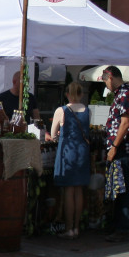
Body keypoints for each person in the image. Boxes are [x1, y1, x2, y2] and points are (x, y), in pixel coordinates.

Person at [48, 81, 91, 239]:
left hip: (68, 152)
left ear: (67, 94)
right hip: (82, 152)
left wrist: (58, 135)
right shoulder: (87, 110)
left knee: (68, 191)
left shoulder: (62, 110)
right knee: (79, 190)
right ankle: (77, 227)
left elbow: (53, 135)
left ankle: (69, 228)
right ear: (81, 94)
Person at [102, 66, 129, 242]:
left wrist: (114, 146)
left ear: (110, 77)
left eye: (104, 79)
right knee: (118, 187)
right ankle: (119, 224)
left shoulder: (124, 94)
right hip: (120, 149)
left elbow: (124, 123)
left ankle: (122, 228)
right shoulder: (122, 93)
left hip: (122, 149)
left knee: (122, 188)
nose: (105, 84)